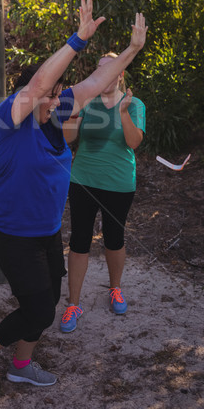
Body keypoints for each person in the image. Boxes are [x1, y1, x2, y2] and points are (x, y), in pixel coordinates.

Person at [0, 0, 147, 393]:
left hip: (45, 232)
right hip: (13, 233)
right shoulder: (8, 116)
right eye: (50, 93)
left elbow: (98, 81)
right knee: (38, 309)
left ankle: (20, 364)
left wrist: (132, 49)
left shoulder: (58, 113)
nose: (56, 99)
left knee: (44, 306)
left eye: (59, 92)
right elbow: (38, 83)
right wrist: (77, 40)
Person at [60, 52, 146, 333]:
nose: (103, 75)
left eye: (109, 70)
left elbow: (134, 143)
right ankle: (73, 304)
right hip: (83, 179)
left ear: (120, 74)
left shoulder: (134, 104)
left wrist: (123, 114)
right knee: (79, 240)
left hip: (119, 183)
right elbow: (68, 138)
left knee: (114, 238)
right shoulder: (87, 103)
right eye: (98, 70)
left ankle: (115, 288)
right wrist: (74, 110)